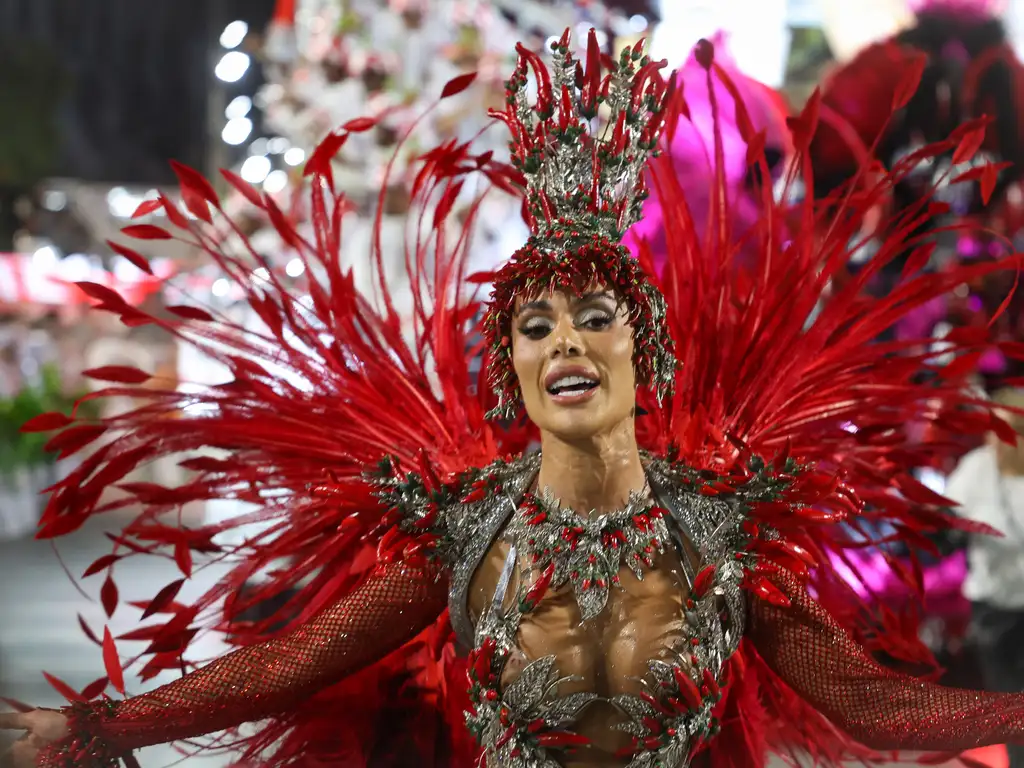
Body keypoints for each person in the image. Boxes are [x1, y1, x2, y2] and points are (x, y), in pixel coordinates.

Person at [2, 30, 1024, 768]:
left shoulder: (724, 536)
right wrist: (95, 725)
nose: (563, 341)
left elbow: (873, 705)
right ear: (511, 370)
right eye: (534, 327)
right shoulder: (464, 533)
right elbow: (289, 665)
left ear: (644, 349)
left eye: (593, 316)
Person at [947, 388, 1024, 767]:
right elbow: (948, 520)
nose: (996, 440)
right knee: (1009, 705)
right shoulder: (976, 468)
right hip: (994, 607)